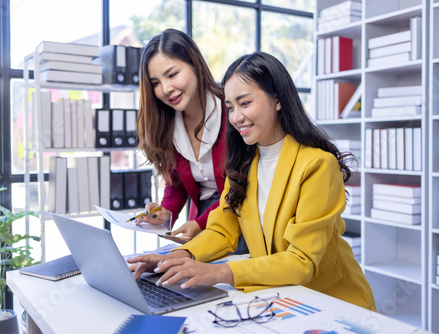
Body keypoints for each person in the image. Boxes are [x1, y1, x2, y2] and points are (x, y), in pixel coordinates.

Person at [128, 51, 376, 311]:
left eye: (245, 104)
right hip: (281, 298)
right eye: (230, 108)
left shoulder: (316, 165)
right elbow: (222, 230)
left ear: (277, 99)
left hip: (332, 302)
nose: (235, 118)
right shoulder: (243, 164)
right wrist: (174, 258)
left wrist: (220, 272)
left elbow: (301, 261)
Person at [135, 29, 247, 252]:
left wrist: (201, 223)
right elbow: (176, 185)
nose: (166, 89)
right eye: (155, 82)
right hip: (202, 218)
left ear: (195, 63)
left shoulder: (232, 111)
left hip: (243, 213)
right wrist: (166, 212)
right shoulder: (166, 123)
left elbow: (244, 184)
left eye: (172, 74)